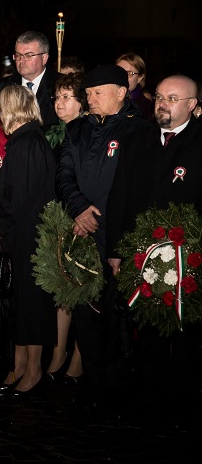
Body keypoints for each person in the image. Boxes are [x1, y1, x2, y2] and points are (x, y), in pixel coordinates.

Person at [56, 65, 152, 404]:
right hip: (82, 233)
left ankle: (116, 383)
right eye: (89, 93)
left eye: (98, 92)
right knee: (84, 307)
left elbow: (137, 189)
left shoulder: (139, 130)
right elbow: (64, 173)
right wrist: (78, 208)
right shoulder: (78, 129)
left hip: (118, 237)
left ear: (121, 93)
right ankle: (91, 381)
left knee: (116, 312)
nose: (90, 98)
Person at [106, 75, 202, 409]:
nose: (162, 103)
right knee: (145, 328)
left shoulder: (200, 143)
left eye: (173, 98)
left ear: (192, 105)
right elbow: (119, 196)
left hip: (187, 259)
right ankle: (149, 396)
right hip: (140, 257)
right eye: (160, 96)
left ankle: (182, 398)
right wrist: (116, 251)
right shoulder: (137, 141)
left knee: (184, 334)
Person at [0, 85, 56, 396]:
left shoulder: (28, 142)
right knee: (20, 304)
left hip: (29, 234)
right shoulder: (24, 140)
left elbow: (19, 197)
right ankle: (21, 365)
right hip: (21, 233)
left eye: (1, 108)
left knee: (31, 305)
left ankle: (34, 369)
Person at [43, 72, 87, 383]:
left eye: (67, 97)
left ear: (82, 103)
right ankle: (58, 352)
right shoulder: (55, 132)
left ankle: (80, 356)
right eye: (57, 97)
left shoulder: (85, 133)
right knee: (61, 290)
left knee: (82, 288)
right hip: (56, 215)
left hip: (79, 217)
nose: (60, 103)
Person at [0, 31, 59, 185]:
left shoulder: (58, 87)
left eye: (28, 55)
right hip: (4, 171)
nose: (21, 60)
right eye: (18, 55)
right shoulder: (1, 87)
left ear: (44, 57)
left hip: (46, 173)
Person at [116, 53, 153, 121]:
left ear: (140, 77)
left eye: (129, 73)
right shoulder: (105, 97)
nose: (122, 76)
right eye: (118, 72)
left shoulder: (143, 106)